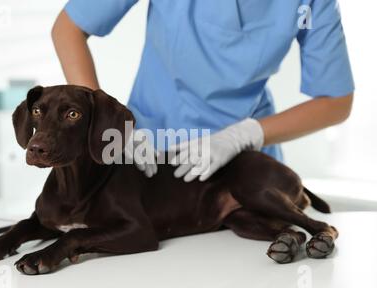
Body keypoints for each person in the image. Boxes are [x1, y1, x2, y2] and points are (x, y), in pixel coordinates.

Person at [52, 0, 354, 182]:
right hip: (150, 156)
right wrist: (108, 126)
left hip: (247, 167)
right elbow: (69, 29)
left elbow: (336, 100)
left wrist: (244, 136)